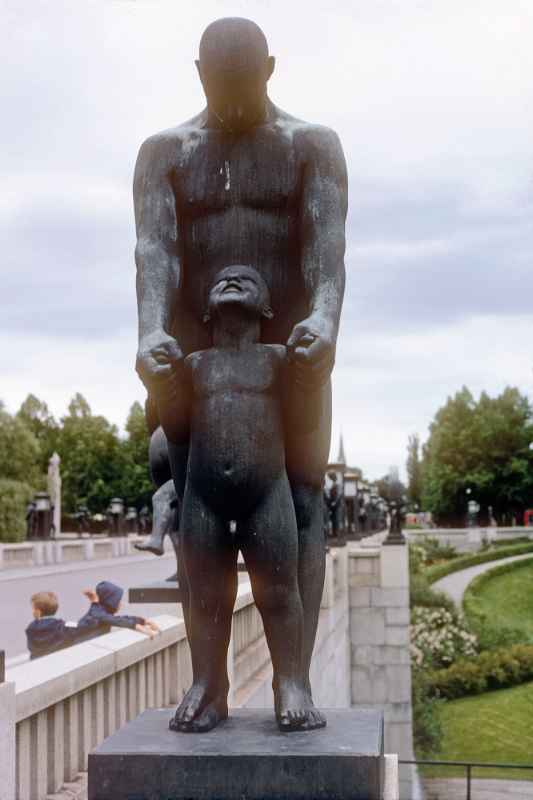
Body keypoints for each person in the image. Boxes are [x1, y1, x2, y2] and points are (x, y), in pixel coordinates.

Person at [134, 16, 347, 732]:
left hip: (288, 345)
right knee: (197, 518)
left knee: (305, 496)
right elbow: (155, 251)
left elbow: (325, 244)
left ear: (271, 70)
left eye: (243, 86)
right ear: (197, 73)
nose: (229, 102)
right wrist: (151, 331)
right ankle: (209, 685)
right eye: (217, 86)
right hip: (193, 348)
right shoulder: (165, 153)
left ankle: (294, 680)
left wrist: (321, 317)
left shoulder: (308, 146)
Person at [158, 265, 321, 732]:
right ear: (208, 308)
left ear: (268, 308)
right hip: (204, 496)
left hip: (266, 491)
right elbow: (177, 428)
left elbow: (304, 421)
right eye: (221, 279)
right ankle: (209, 684)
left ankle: (290, 681)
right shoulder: (195, 365)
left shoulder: (277, 359)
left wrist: (309, 378)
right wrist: (164, 386)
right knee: (206, 594)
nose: (231, 279)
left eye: (248, 278)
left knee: (279, 591)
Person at [77, 581, 160, 638]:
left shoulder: (99, 613)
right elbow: (115, 620)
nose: (120, 604)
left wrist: (142, 621)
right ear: (110, 602)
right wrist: (135, 625)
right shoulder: (98, 616)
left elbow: (118, 619)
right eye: (118, 600)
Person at [26, 591, 78, 660]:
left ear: (37, 612)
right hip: (60, 659)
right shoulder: (63, 625)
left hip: (39, 662)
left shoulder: (31, 628)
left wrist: (37, 620)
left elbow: (31, 647)